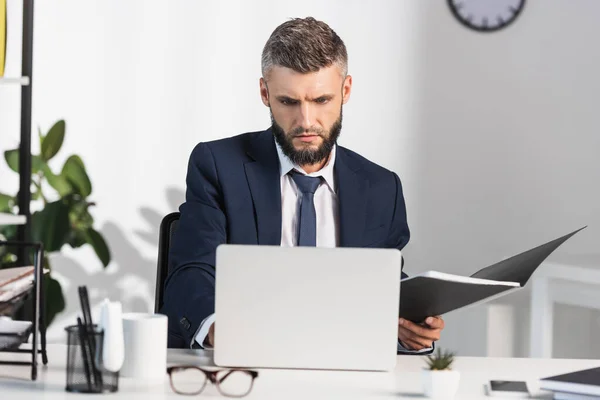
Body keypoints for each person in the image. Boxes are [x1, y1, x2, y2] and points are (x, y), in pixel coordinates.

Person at [161, 17, 444, 354]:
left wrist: (409, 330)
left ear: (346, 90)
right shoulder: (219, 165)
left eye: (322, 100)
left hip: (344, 365)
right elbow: (192, 270)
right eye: (289, 102)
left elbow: (381, 286)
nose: (306, 121)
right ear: (265, 93)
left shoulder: (381, 187)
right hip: (244, 361)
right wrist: (216, 328)